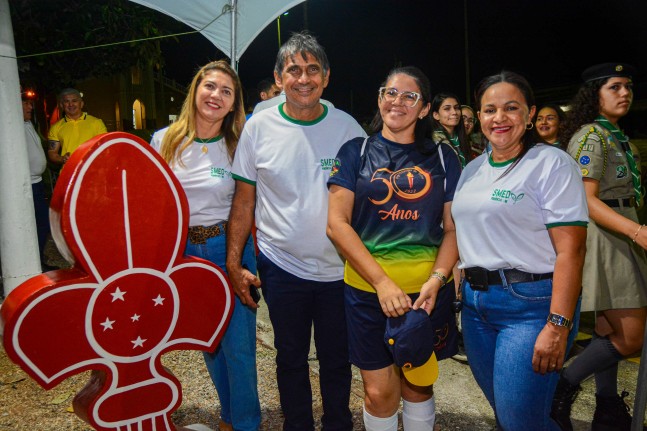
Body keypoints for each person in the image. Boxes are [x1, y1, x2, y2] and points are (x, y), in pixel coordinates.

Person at [226, 32, 366, 431]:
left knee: (337, 357)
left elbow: (369, 199)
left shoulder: (348, 129)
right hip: (282, 265)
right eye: (293, 70)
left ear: (326, 77)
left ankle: (338, 423)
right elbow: (244, 201)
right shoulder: (258, 127)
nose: (303, 79)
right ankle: (298, 424)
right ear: (278, 77)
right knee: (290, 357)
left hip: (339, 270)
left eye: (312, 70)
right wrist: (234, 262)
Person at [451, 71, 588, 430]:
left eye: (511, 108)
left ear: (530, 114)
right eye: (489, 110)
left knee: (518, 421)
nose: (499, 118)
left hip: (530, 307)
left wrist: (558, 325)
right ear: (478, 117)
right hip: (476, 309)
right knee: (514, 417)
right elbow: (459, 234)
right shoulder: (472, 170)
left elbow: (572, 251)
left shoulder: (551, 164)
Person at [327, 66, 460, 431]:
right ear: (380, 98)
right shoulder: (355, 151)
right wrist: (382, 283)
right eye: (390, 92)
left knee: (419, 385)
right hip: (368, 292)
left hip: (426, 295)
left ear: (425, 108)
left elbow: (453, 229)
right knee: (379, 393)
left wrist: (438, 279)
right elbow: (336, 224)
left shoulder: (444, 158)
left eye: (409, 96)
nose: (397, 101)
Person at [150, 60, 260, 431]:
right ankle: (228, 417)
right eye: (210, 86)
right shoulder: (163, 140)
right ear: (196, 90)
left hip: (229, 246)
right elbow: (153, 201)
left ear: (233, 105)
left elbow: (249, 201)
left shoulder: (238, 144)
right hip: (183, 251)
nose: (216, 95)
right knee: (208, 342)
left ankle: (246, 423)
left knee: (239, 346)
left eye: (226, 91)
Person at [552, 63, 647, 431]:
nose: (625, 93)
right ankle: (563, 385)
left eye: (628, 86)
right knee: (632, 337)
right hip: (610, 238)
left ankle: (607, 408)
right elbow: (587, 200)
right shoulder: (591, 136)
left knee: (609, 332)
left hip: (621, 232)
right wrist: (636, 232)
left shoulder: (615, 136)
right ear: (595, 94)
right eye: (615, 87)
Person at [21, 86, 52, 271]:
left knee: (42, 223)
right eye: (26, 103)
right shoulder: (12, 126)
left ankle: (37, 259)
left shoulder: (28, 123)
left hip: (37, 183)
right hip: (26, 186)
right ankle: (33, 262)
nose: (30, 107)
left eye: (30, 104)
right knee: (39, 223)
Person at [47, 88, 107, 165]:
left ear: (81, 104)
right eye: (66, 101)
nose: (70, 104)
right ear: (62, 105)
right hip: (69, 170)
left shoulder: (97, 123)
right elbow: (52, 152)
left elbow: (105, 147)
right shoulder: (56, 127)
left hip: (91, 169)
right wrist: (62, 159)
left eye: (74, 101)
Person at [430, 93, 470, 169]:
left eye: (457, 108)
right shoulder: (434, 141)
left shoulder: (461, 138)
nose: (454, 112)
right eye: (447, 109)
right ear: (436, 115)